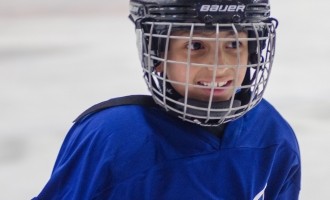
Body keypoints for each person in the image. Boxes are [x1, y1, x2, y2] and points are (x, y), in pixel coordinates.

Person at [33, 0, 301, 199]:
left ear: (254, 49)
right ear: (156, 55)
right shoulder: (113, 138)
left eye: (234, 44)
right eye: (196, 46)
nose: (219, 67)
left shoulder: (272, 135)